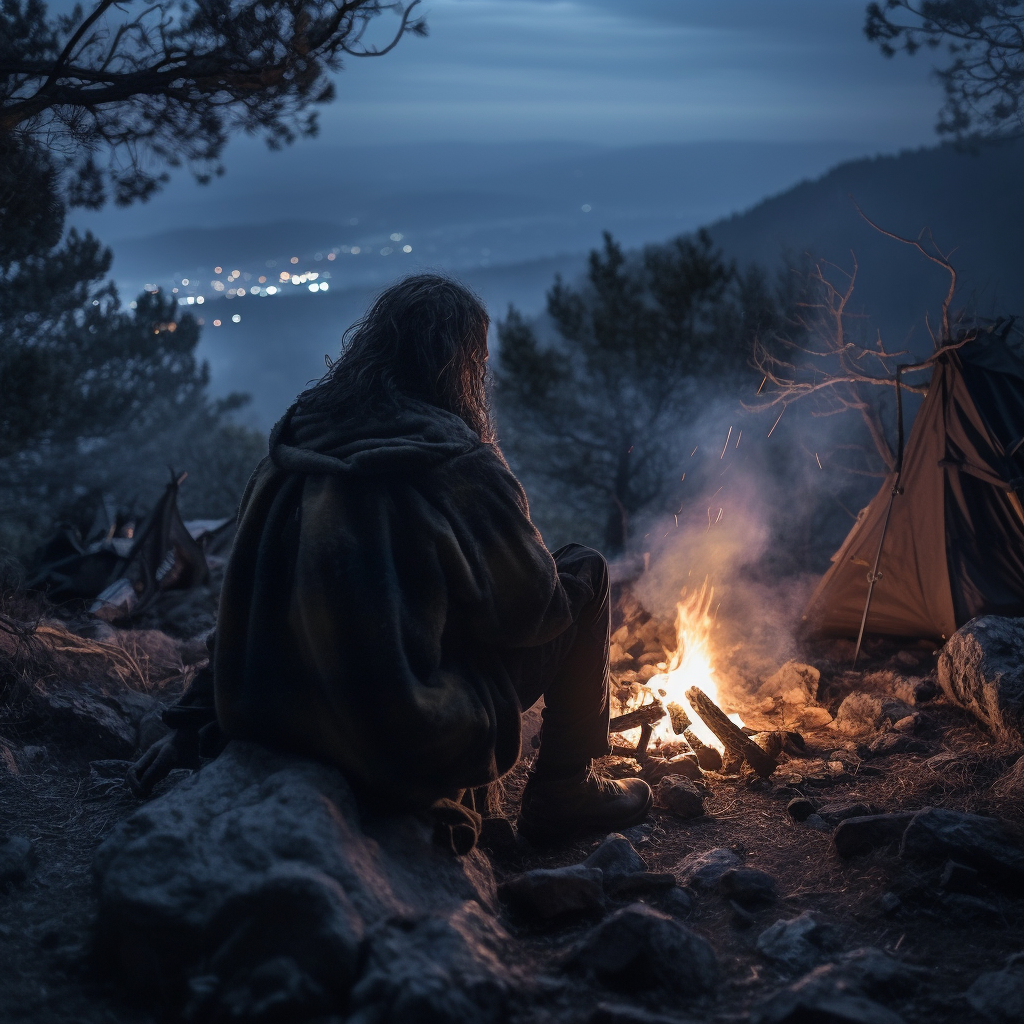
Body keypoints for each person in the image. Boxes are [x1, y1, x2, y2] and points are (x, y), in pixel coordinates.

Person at [130, 274, 651, 844]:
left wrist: (190, 724)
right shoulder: (457, 463)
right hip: (406, 739)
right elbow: (534, 613)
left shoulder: (294, 447)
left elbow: (245, 603)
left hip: (273, 718)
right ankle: (564, 793)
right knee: (587, 571)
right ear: (458, 365)